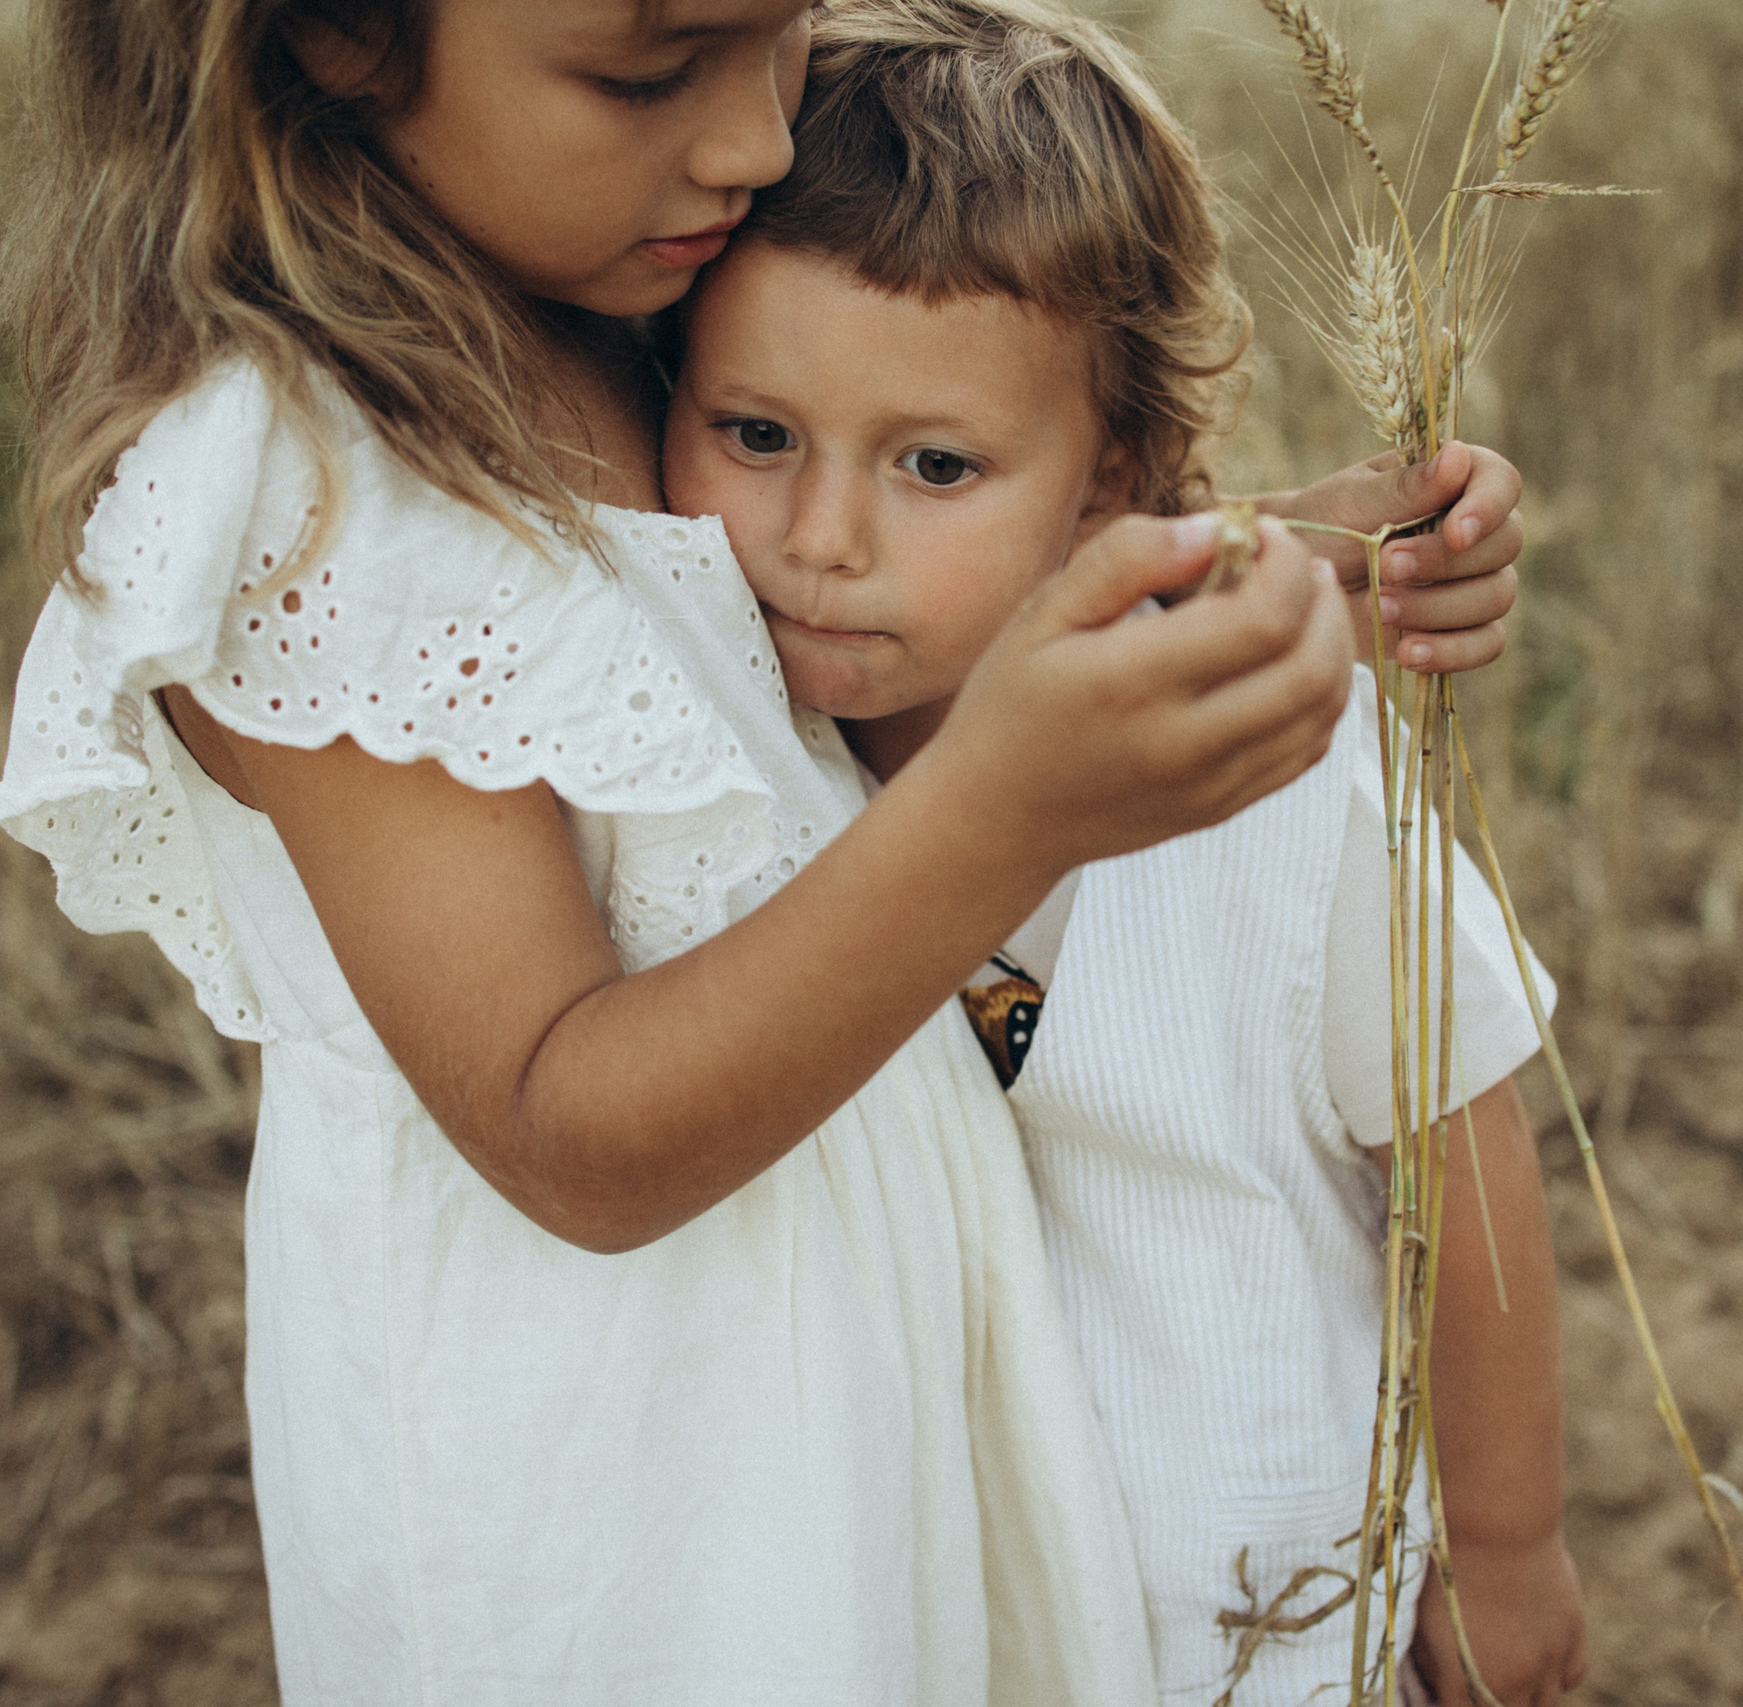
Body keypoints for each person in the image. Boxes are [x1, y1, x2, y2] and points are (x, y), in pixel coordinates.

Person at [0, 0, 1526, 1701]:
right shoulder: (317, 503)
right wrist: (1007, 807)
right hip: (624, 1512)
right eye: (652, 70)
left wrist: (1271, 564)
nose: (756, 145)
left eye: (782, 36)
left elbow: (875, 567)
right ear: (337, 37)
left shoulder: (627, 282)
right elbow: (566, 1133)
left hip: (859, 1445)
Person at [658, 3, 1586, 1702]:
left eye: (936, 465)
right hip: (919, 1623)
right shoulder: (715, 766)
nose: (819, 540)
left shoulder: (1289, 775)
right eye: (755, 434)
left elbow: (1461, 1154)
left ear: (1113, 490)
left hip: (1243, 1613)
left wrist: (1508, 1543)